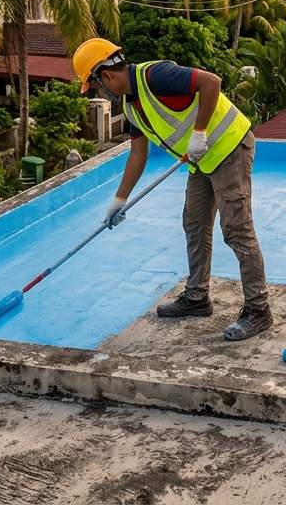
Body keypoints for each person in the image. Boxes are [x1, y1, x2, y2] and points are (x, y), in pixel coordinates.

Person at [72, 38, 272, 341]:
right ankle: (197, 297)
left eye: (96, 87)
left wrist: (200, 133)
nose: (99, 93)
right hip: (201, 160)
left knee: (235, 228)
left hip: (229, 146)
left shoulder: (155, 76)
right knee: (194, 223)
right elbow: (137, 154)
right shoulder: (130, 106)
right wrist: (119, 199)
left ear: (106, 76)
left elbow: (211, 82)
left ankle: (259, 310)